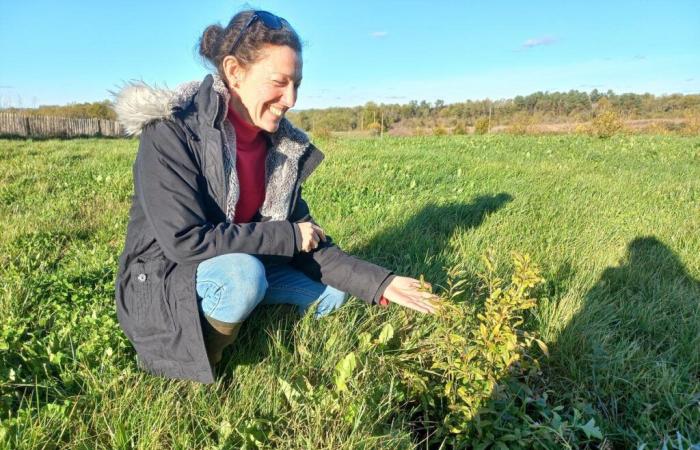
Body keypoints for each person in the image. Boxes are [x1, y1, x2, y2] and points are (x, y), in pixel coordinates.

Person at [113, 9, 440, 384]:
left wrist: (381, 283)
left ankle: (238, 308)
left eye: (297, 83)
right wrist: (285, 236)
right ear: (235, 72)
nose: (291, 98)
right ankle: (201, 360)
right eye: (279, 82)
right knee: (242, 277)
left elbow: (306, 239)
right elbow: (185, 241)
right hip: (168, 273)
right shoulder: (172, 133)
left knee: (336, 295)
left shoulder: (281, 146)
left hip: (245, 259)